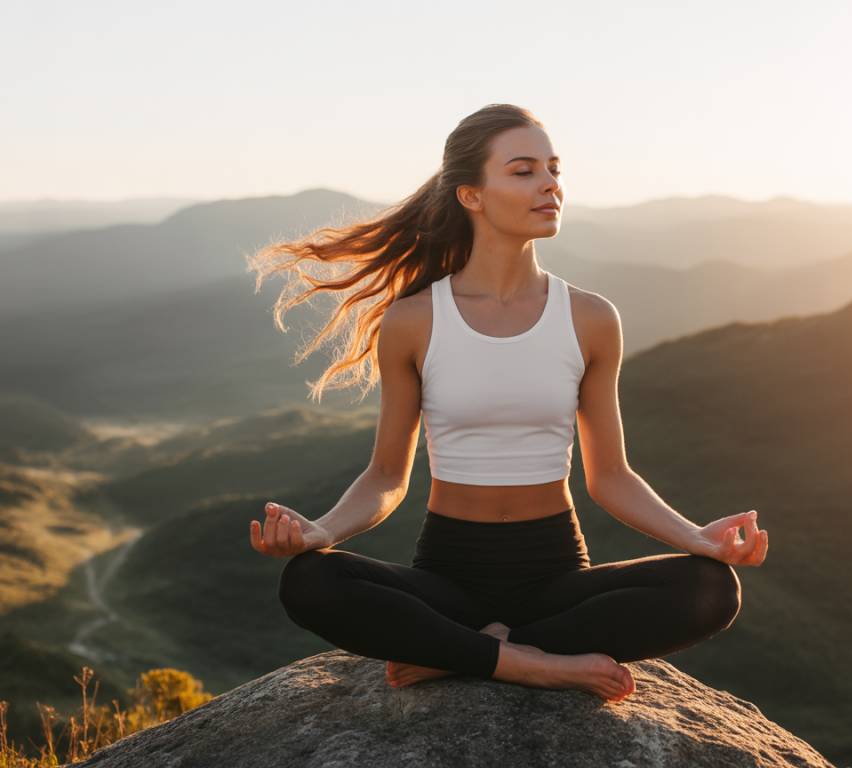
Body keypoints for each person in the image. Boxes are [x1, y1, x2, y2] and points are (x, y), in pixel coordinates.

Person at [246, 103, 768, 703]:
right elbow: (387, 475)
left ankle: (464, 652)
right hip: (447, 574)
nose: (550, 184)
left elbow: (611, 477)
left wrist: (697, 538)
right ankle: (532, 662)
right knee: (310, 580)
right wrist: (321, 530)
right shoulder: (414, 320)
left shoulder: (591, 318)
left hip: (554, 575)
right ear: (471, 195)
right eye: (524, 171)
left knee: (711, 588)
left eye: (554, 169)